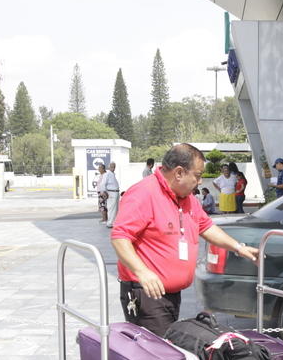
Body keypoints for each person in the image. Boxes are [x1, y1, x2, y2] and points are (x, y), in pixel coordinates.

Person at [111, 143, 259, 337]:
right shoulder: (143, 193)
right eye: (197, 175)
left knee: (168, 350)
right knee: (159, 356)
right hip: (147, 293)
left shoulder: (186, 198)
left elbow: (206, 226)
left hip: (171, 294)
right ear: (179, 173)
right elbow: (120, 237)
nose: (199, 182)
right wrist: (142, 272)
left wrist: (238, 247)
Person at [102, 162, 120, 227]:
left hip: (115, 192)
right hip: (111, 192)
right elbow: (103, 184)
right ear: (109, 167)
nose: (113, 168)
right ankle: (110, 223)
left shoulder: (112, 174)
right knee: (112, 208)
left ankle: (114, 222)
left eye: (114, 166)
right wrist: (104, 192)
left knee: (115, 209)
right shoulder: (107, 174)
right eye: (112, 166)